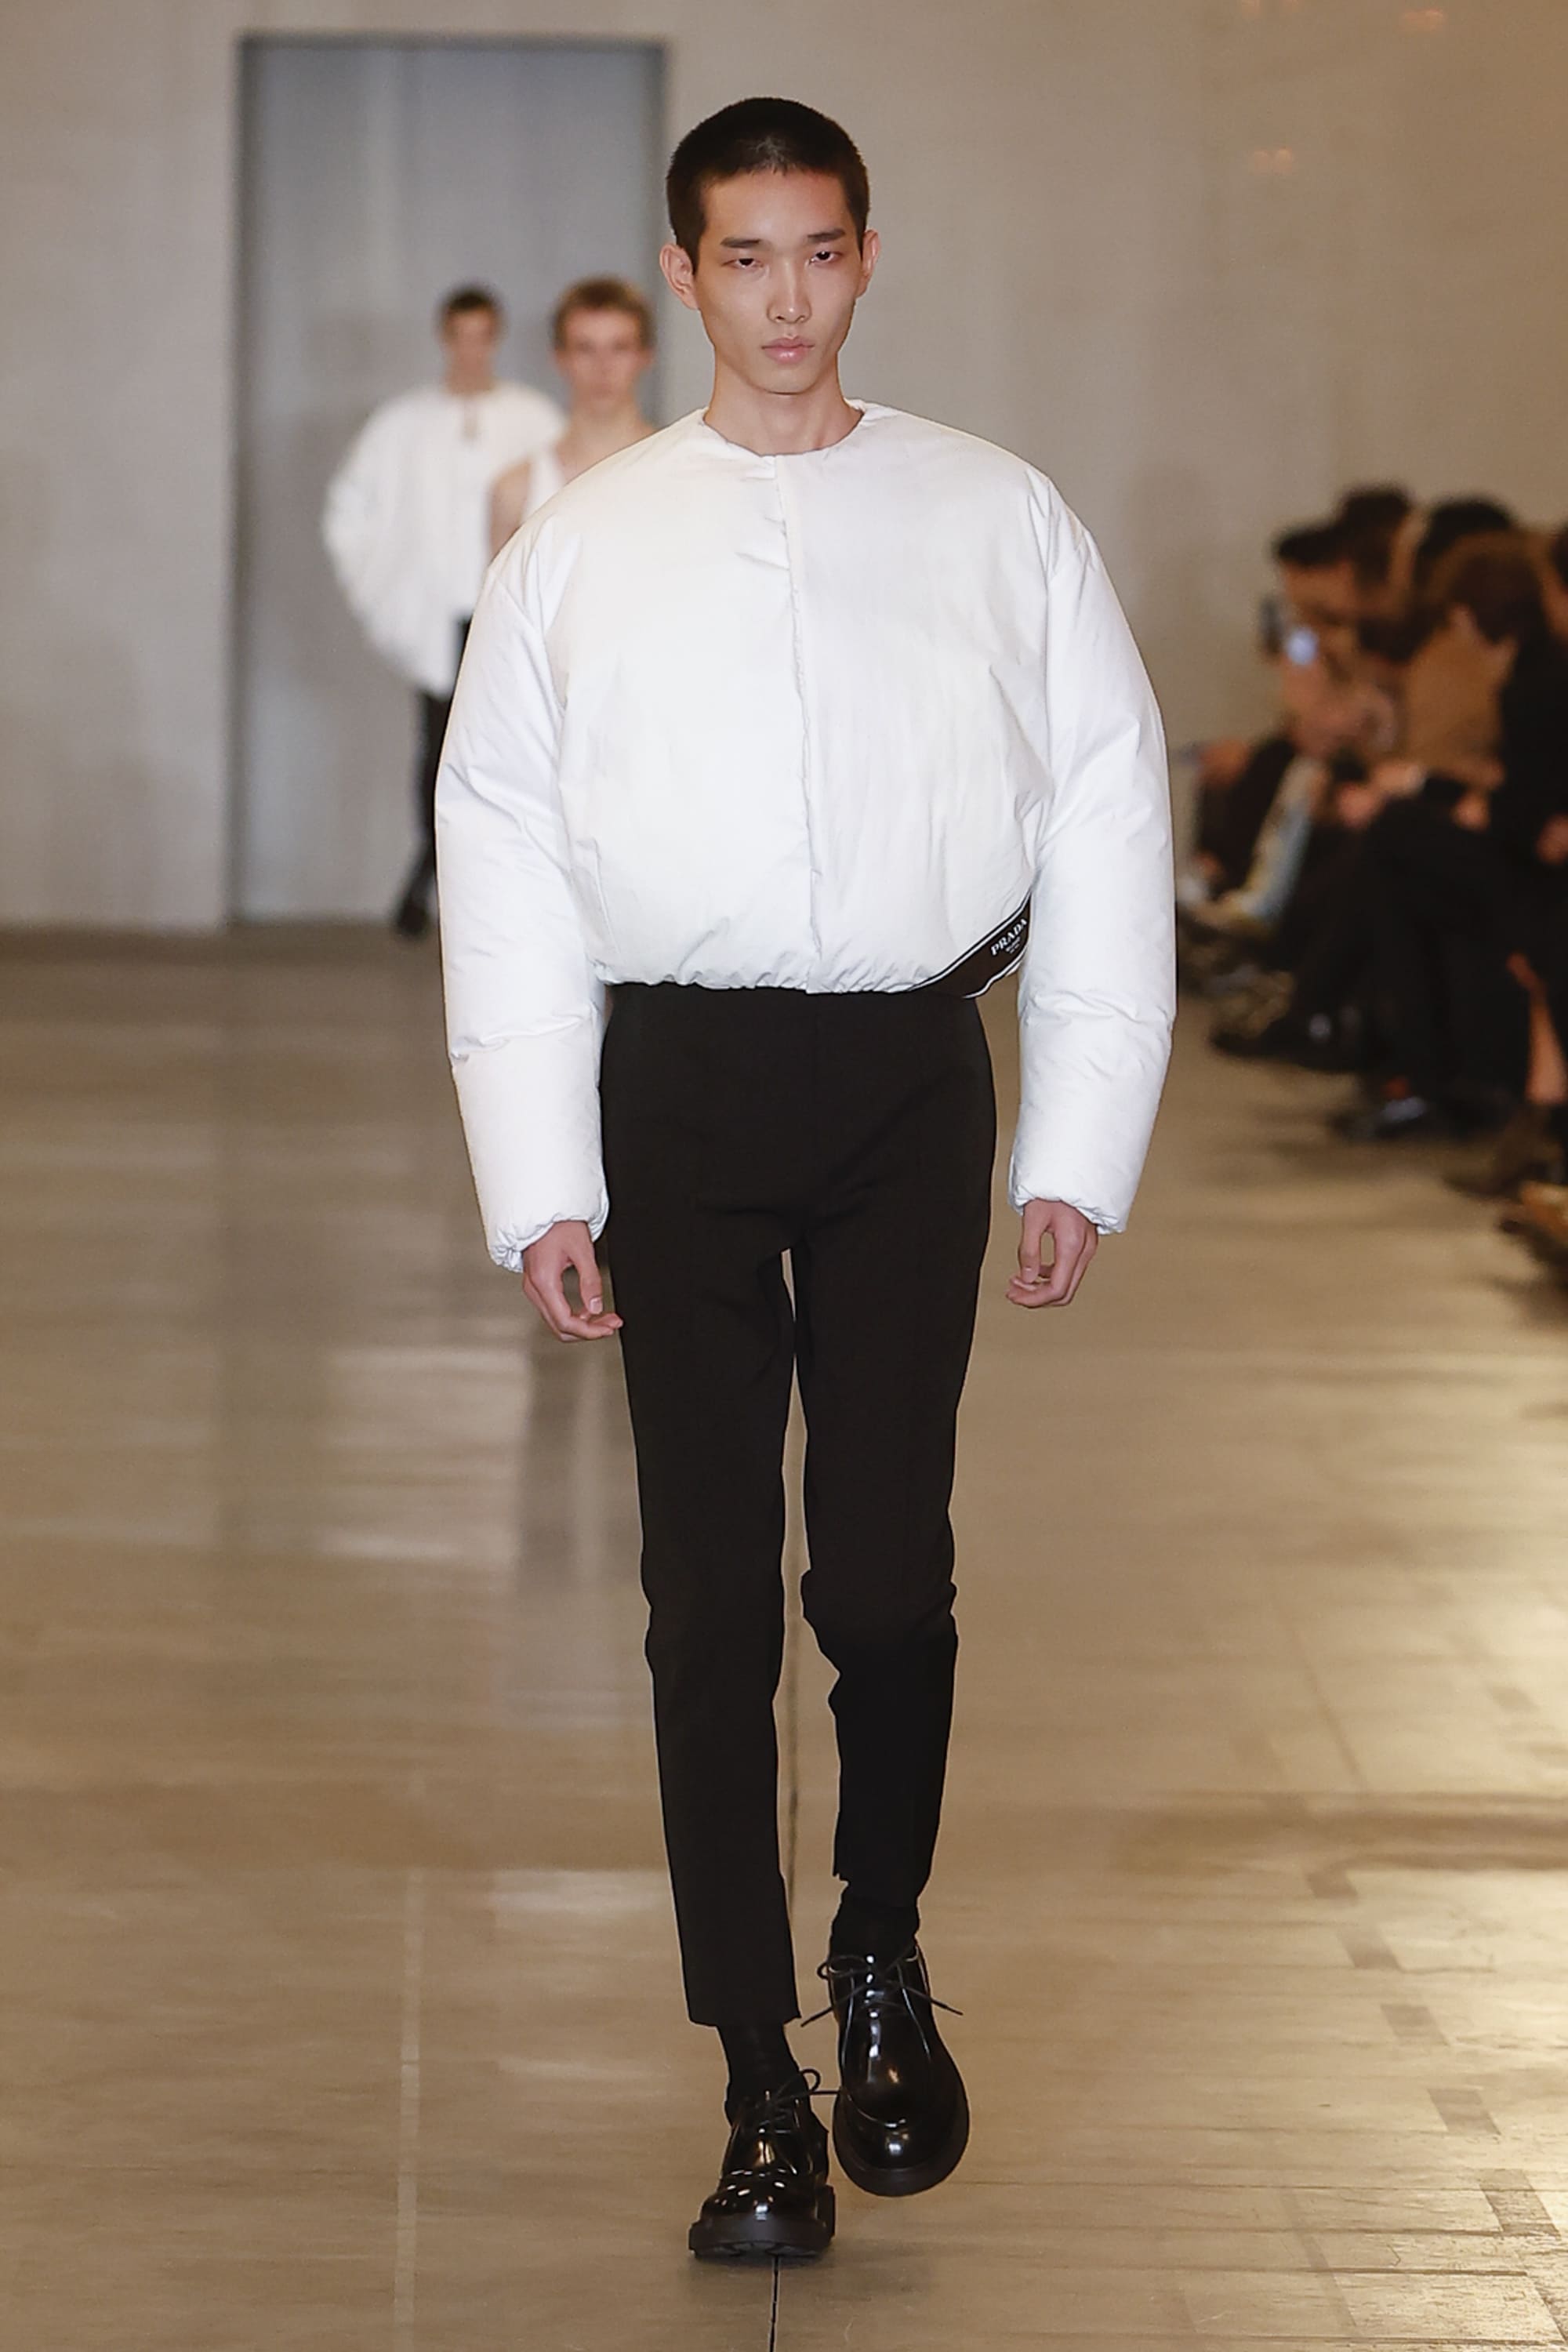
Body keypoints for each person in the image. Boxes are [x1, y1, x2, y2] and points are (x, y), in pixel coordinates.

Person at [435, 97, 1174, 2263]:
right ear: (682, 274)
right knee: (703, 1597)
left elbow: (1107, 807)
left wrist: (1081, 1139)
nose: (783, 297)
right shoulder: (583, 545)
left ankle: (876, 1942)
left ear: (865, 256)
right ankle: (756, 2076)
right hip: (672, 1084)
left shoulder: (994, 515)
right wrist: (538, 1175)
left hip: (905, 1085)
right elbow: (505, 852)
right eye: (741, 256)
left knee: (876, 1574)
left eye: (819, 251)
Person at [322, 285, 564, 938]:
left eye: (483, 336)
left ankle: (445, 885)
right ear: (445, 338)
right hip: (438, 613)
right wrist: (386, 598)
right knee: (439, 752)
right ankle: (436, 879)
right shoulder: (402, 424)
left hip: (506, 611)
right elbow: (351, 513)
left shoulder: (534, 419)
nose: (472, 350)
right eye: (462, 336)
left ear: (496, 338)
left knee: (506, 752)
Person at [488, 278, 658, 557]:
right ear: (560, 357)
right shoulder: (515, 492)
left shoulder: (682, 471)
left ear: (645, 356)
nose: (603, 366)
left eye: (619, 348)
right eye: (585, 349)